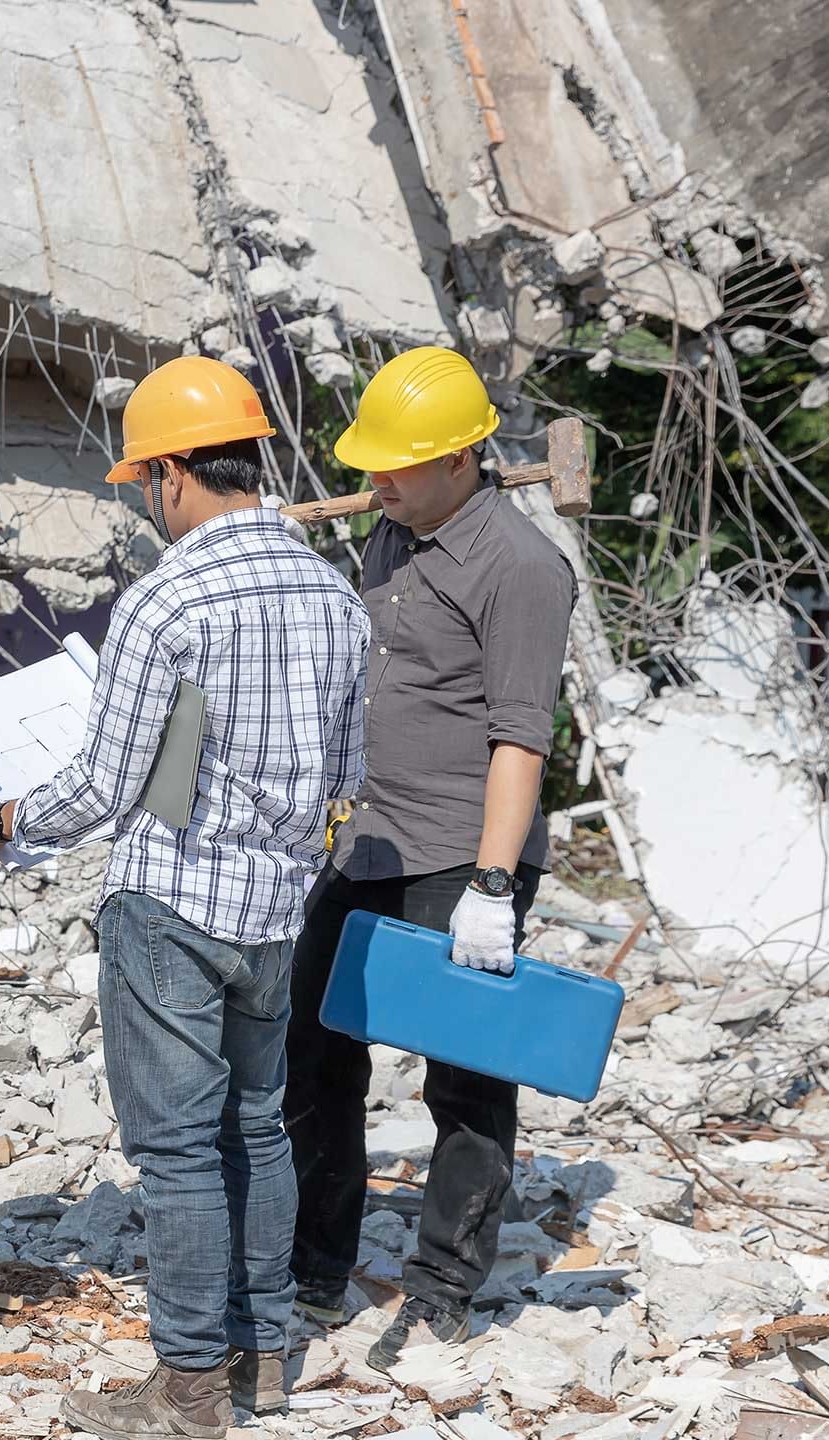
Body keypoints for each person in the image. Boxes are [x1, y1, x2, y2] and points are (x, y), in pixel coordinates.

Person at [0, 357, 369, 1440]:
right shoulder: (334, 593)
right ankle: (262, 1355)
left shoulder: (168, 598)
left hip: (173, 901)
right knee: (258, 1130)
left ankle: (186, 1391)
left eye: (146, 480)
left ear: (176, 473)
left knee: (179, 1151)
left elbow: (99, 787)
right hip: (276, 907)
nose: (147, 499)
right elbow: (344, 773)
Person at [282, 345, 578, 1371]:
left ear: (462, 458)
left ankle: (445, 1282)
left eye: (397, 467)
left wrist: (492, 890)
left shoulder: (522, 569)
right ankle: (315, 1268)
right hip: (367, 840)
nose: (375, 484)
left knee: (463, 1079)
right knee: (314, 1053)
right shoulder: (390, 535)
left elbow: (518, 740)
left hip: (462, 851)